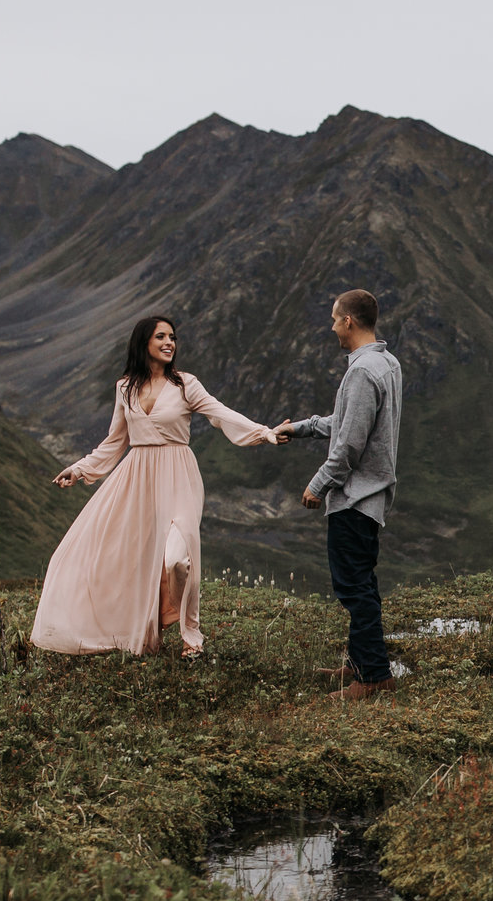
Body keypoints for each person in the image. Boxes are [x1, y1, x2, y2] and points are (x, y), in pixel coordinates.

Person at [30, 316, 276, 658]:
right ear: (143, 342)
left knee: (178, 560)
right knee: (127, 557)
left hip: (179, 476)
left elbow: (221, 414)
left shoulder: (186, 385)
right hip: (137, 479)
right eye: (161, 336)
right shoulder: (124, 388)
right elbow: (114, 443)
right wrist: (80, 469)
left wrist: (263, 432)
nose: (169, 342)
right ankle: (144, 629)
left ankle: (191, 635)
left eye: (173, 337)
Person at [275, 290, 403, 701]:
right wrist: (302, 428)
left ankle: (373, 679)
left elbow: (349, 444)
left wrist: (318, 484)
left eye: (334, 320)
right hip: (370, 497)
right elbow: (346, 421)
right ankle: (361, 663)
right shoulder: (386, 363)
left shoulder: (364, 372)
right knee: (361, 583)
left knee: (353, 588)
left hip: (354, 498)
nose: (331, 328)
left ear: (349, 321)